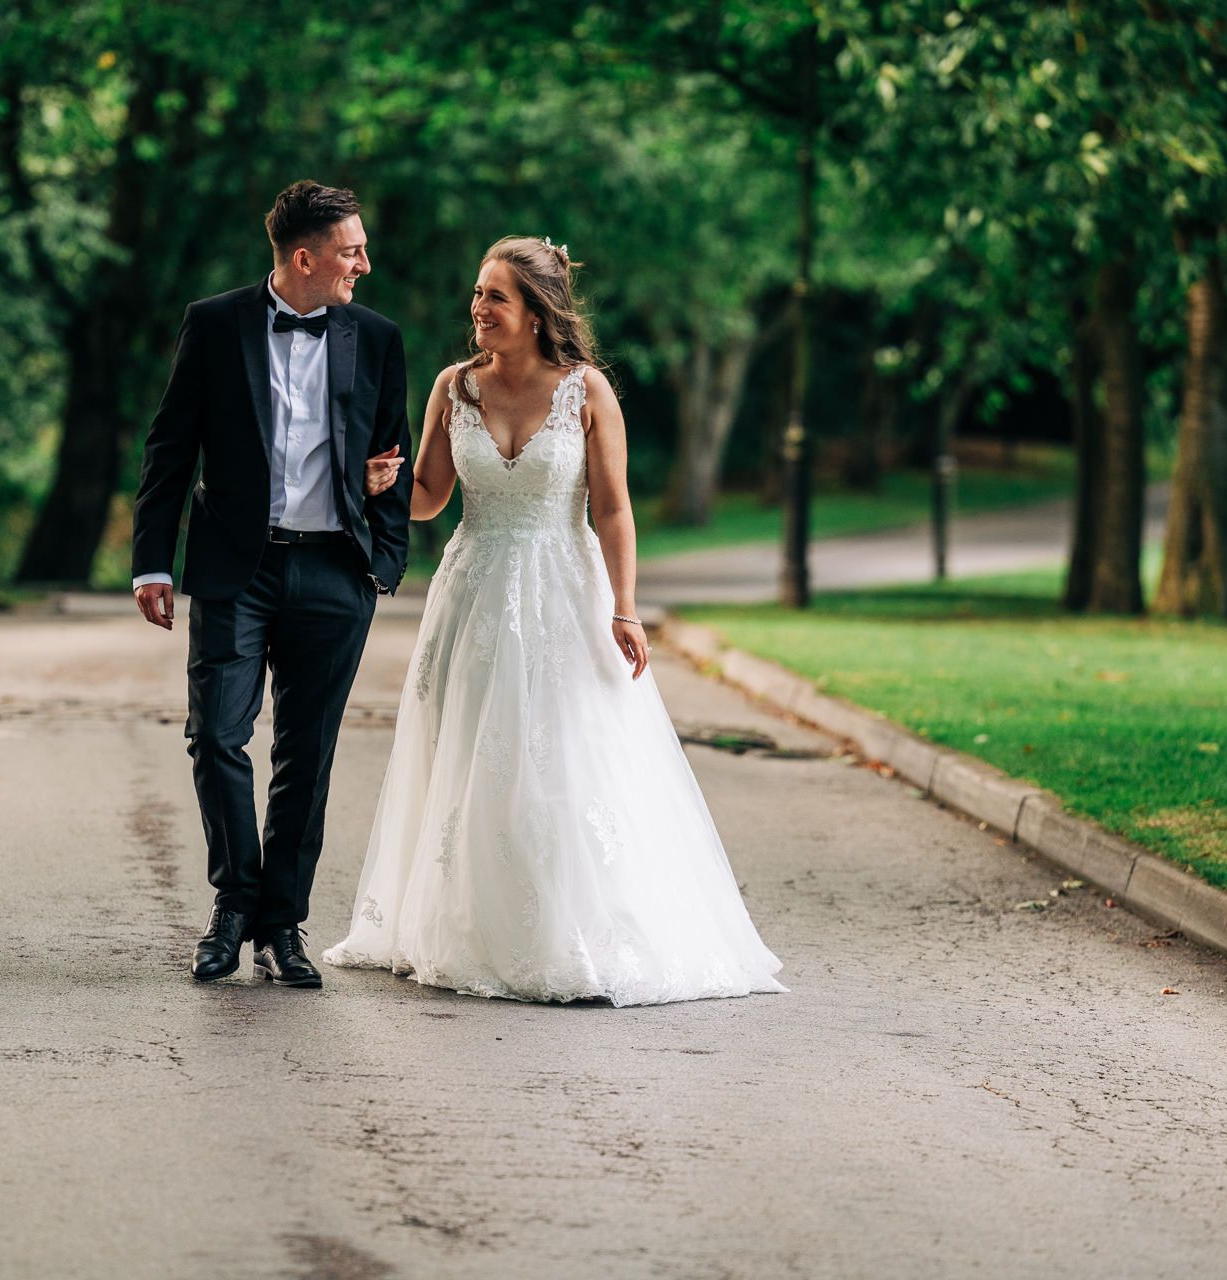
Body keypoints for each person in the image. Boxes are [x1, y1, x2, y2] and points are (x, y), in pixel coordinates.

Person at [323, 237, 785, 1005]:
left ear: (536, 314)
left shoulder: (587, 391)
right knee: (472, 753)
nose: (478, 309)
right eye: (476, 295)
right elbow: (431, 496)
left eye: (494, 298)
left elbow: (612, 509)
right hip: (471, 591)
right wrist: (376, 484)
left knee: (561, 754)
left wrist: (626, 608)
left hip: (565, 593)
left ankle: (565, 927)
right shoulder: (453, 388)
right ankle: (468, 921)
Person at [130, 180, 412, 989]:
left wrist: (379, 563)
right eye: (352, 250)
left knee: (306, 754)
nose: (364, 262)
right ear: (306, 257)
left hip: (335, 569)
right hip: (235, 568)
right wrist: (154, 559)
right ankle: (233, 905)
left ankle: (281, 925)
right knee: (216, 735)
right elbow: (170, 447)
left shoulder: (377, 337)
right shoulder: (214, 325)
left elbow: (388, 458)